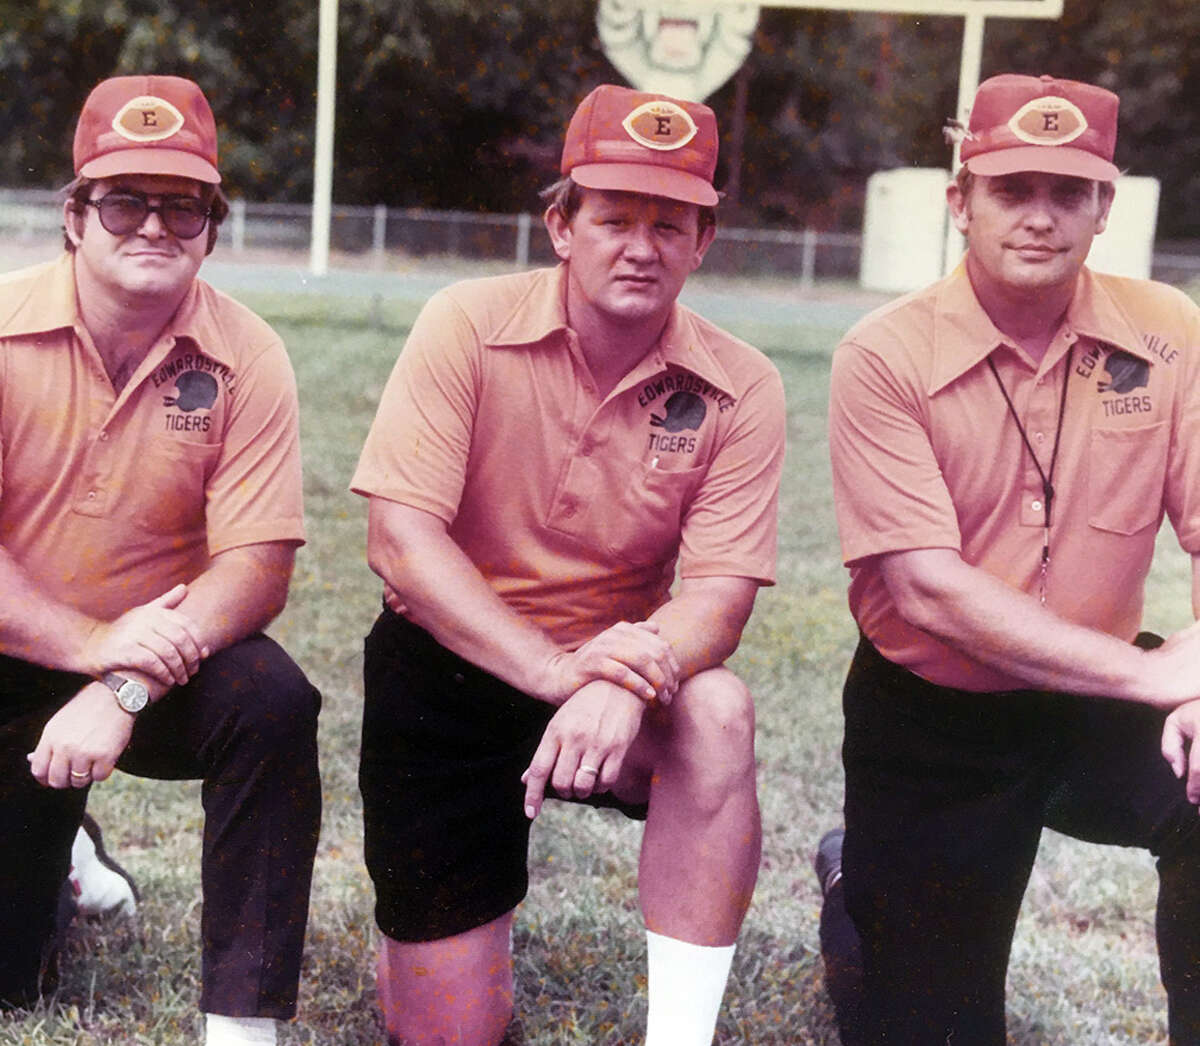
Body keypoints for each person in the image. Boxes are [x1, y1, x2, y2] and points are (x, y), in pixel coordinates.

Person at [351, 83, 786, 1046]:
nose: (642, 246)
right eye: (615, 218)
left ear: (704, 240)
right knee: (446, 1033)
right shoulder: (464, 322)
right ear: (561, 224)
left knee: (717, 711)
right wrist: (555, 672)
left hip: (618, 672)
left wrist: (624, 673)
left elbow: (718, 596)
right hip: (451, 667)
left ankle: (681, 1035)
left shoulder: (742, 381)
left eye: (671, 224)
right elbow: (401, 542)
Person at [821, 72, 1200, 1044]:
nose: (1041, 216)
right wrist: (1156, 671)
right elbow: (925, 588)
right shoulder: (883, 353)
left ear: (1103, 206)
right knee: (931, 1023)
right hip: (936, 715)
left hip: (1095, 699)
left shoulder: (1171, 330)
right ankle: (854, 893)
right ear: (961, 203)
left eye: (1067, 192)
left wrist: (1196, 684)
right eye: (1012, 189)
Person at [0, 75, 321, 1046]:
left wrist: (125, 680)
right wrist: (95, 642)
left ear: (213, 226)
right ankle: (66, 856)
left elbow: (259, 566)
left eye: (182, 204)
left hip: (165, 661)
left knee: (271, 698)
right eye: (124, 199)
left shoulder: (247, 353)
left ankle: (240, 1022)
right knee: (12, 981)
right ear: (73, 215)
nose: (152, 224)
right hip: (18, 650)